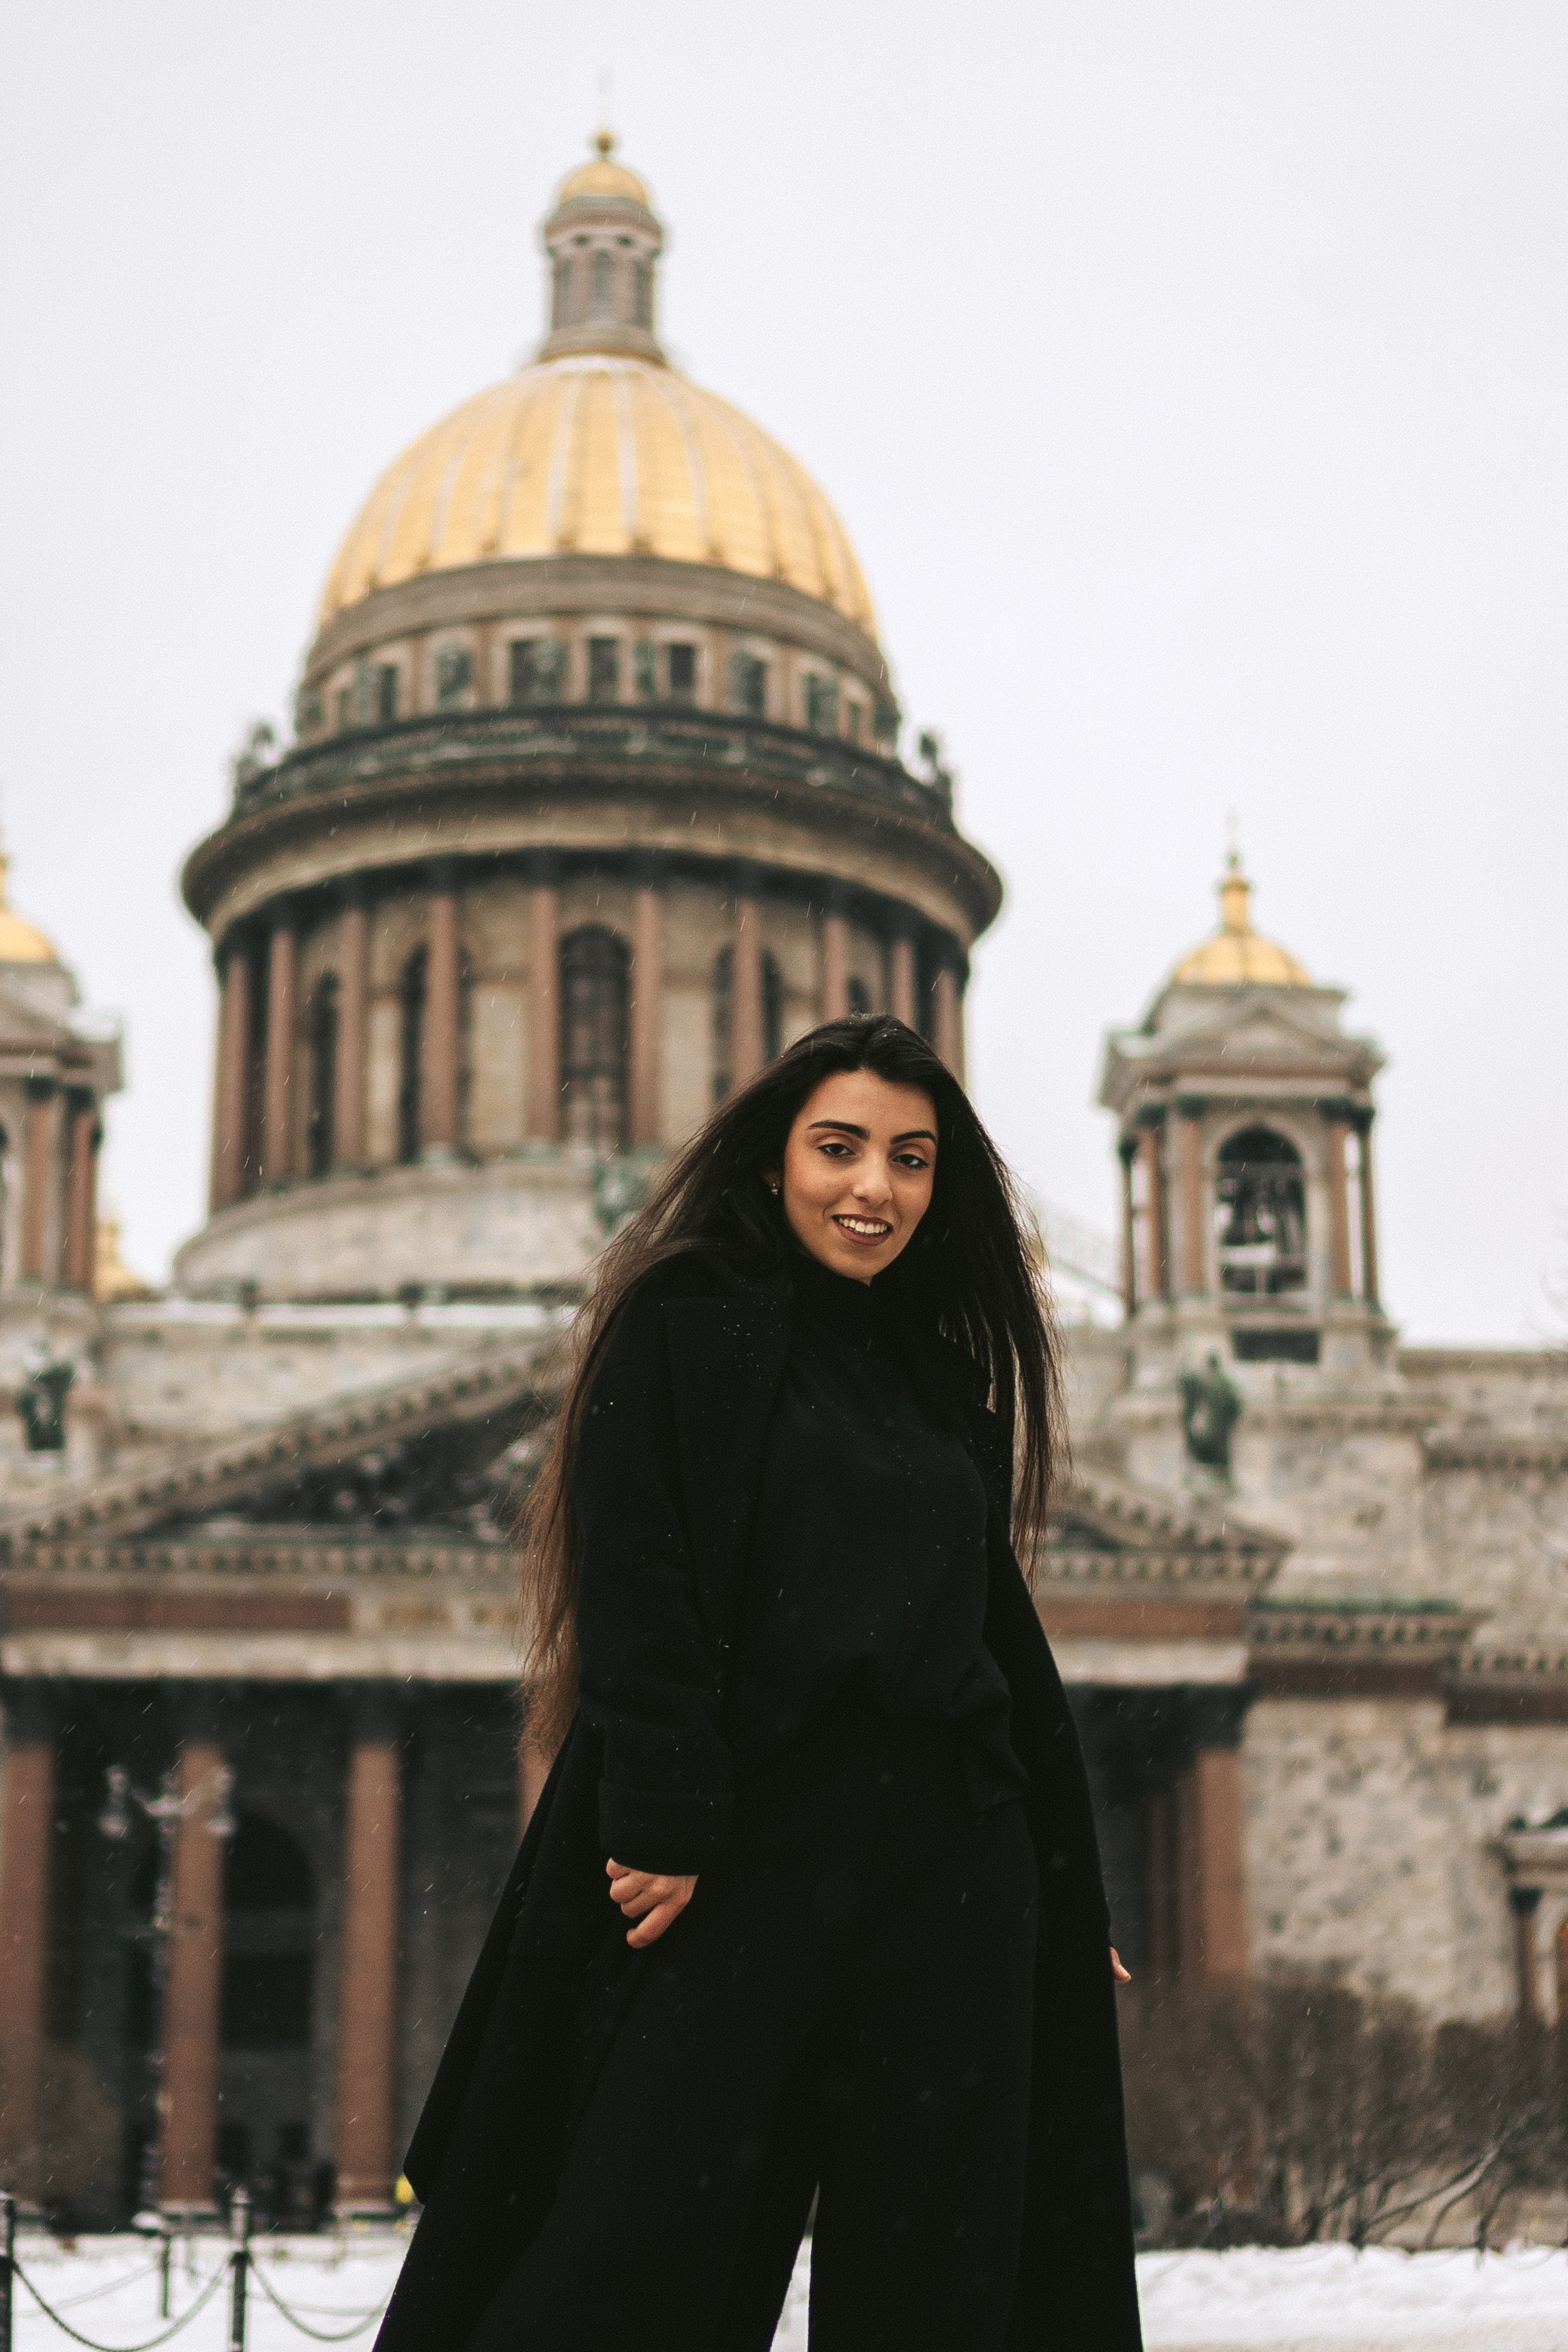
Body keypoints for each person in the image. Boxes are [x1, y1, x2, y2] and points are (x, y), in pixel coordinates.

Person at [375, 1015, 1143, 2352]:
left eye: (911, 1159)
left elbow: (996, 1645)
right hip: (745, 1852)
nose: (875, 1188)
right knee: (633, 2247)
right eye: (839, 1147)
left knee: (944, 2268)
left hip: (950, 1864)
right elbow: (638, 1576)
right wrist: (661, 1814)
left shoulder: (935, 1371)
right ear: (772, 1153)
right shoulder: (685, 1321)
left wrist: (1063, 1897)